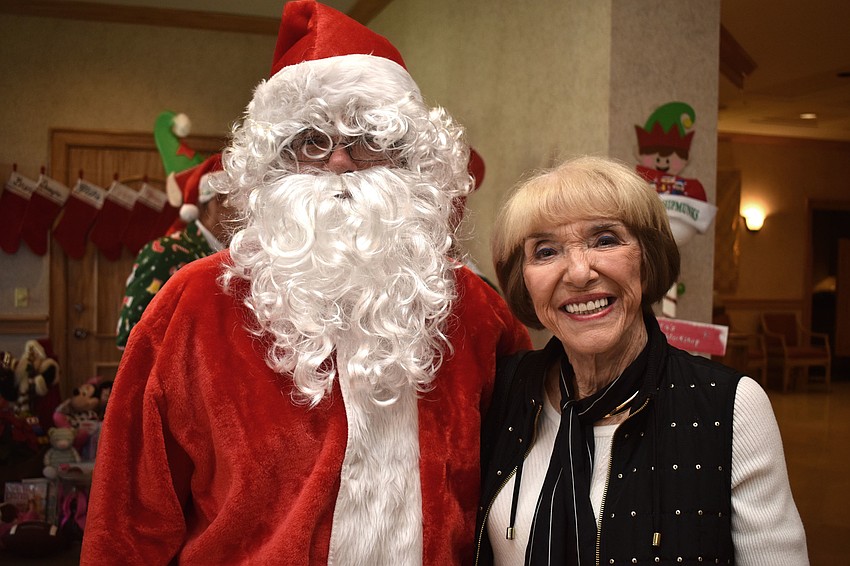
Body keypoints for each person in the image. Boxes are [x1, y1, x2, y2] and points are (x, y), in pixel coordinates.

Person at [81, 2, 531, 565]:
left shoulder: (472, 309)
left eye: (367, 138)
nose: (340, 163)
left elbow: (532, 472)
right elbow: (127, 521)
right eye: (311, 141)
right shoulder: (195, 304)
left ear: (412, 162)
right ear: (274, 166)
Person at [475, 155, 808, 565]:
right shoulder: (501, 389)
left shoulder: (731, 406)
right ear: (523, 281)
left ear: (646, 260)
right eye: (546, 251)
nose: (579, 273)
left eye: (605, 240)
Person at [114, 153, 232, 349]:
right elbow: (130, 335)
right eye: (237, 203)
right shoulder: (165, 252)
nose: (246, 214)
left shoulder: (237, 257)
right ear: (214, 203)